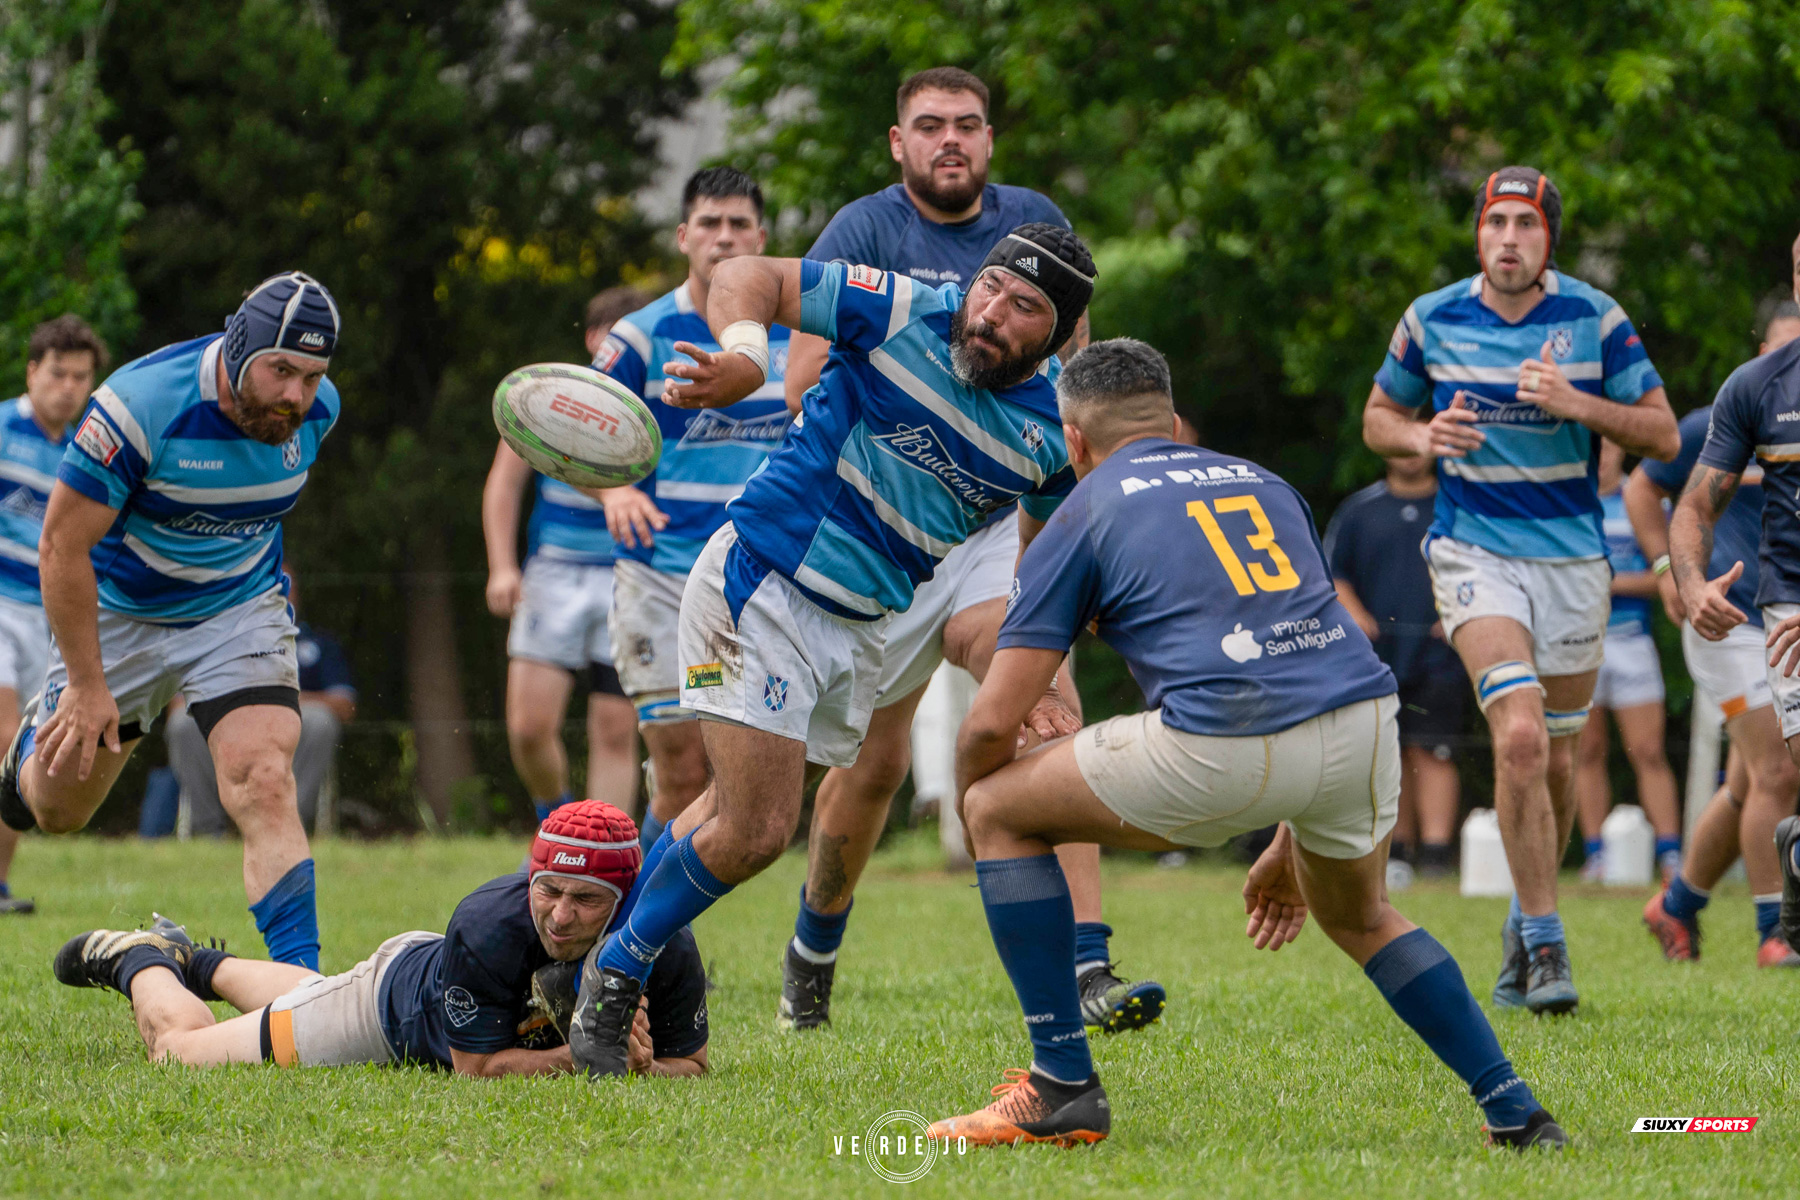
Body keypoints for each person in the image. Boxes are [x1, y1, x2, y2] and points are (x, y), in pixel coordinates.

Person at [926, 339, 1563, 1150]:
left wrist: (980, 798)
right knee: (1362, 914)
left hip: (1221, 742)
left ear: (1075, 441)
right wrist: (1294, 831)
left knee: (994, 804)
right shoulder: (1267, 482)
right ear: (1174, 421)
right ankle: (1514, 1108)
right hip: (1364, 724)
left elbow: (990, 721)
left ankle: (1060, 1085)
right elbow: (1299, 651)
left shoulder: (1083, 507)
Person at [565, 223, 1095, 1077]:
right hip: (762, 584)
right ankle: (611, 976)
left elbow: (1048, 535)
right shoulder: (906, 312)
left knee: (723, 812)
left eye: (1023, 305)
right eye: (990, 284)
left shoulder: (1052, 428)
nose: (989, 312)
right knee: (759, 827)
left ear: (1060, 334)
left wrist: (1053, 624)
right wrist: (744, 354)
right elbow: (748, 274)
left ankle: (592, 956)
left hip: (857, 628)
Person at [776, 65, 1157, 1038]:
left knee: (1045, 696)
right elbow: (802, 381)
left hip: (986, 525)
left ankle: (1090, 962)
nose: (952, 140)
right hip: (877, 525)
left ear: (992, 141)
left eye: (970, 125)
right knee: (876, 767)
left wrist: (1073, 534)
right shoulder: (863, 230)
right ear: (898, 143)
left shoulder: (1034, 222)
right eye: (930, 125)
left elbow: (1079, 394)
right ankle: (813, 952)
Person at [1362, 167, 1679, 1015]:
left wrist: (1576, 401)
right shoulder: (1431, 317)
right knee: (1523, 739)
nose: (1508, 238)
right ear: (1478, 234)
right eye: (1495, 222)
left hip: (1574, 560)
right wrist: (1426, 433)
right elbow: (1377, 420)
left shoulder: (1595, 319)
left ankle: (1521, 919)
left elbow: (1662, 429)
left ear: (1550, 240)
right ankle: (1546, 942)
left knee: (1562, 754)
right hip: (1474, 553)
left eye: (1525, 225)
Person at [0, 272, 348, 970]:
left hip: (236, 610)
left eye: (311, 376)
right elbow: (61, 547)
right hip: (122, 617)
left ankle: (303, 988)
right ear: (238, 347)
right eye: (281, 369)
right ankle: (18, 765)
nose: (295, 395)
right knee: (58, 811)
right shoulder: (136, 408)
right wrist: (89, 685)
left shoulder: (318, 412)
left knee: (263, 777)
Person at [53, 800, 709, 1076]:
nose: (560, 917)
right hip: (384, 1013)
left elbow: (695, 1066)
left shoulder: (662, 942)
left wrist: (649, 1068)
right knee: (178, 1053)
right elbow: (476, 1070)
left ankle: (194, 961)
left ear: (624, 901)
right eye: (548, 890)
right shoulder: (489, 926)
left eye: (586, 900)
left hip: (400, 975)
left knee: (308, 994)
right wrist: (593, 1057)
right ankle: (137, 959)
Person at [592, 167, 791, 855]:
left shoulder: (790, 338)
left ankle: (650, 927)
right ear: (683, 236)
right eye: (710, 222)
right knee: (678, 769)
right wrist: (614, 490)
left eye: (740, 224)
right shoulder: (641, 336)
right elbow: (574, 426)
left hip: (759, 584)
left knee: (745, 782)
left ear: (762, 239)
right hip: (662, 575)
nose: (725, 236)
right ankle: (634, 931)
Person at [1665, 243, 1800, 963]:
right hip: (1755, 622)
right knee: (1777, 773)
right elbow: (1680, 502)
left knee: (1753, 779)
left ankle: (1680, 901)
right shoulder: (1748, 392)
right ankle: (1774, 931)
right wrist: (1681, 578)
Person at [482, 288, 647, 824]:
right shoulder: (548, 400)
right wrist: (502, 566)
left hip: (629, 575)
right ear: (592, 339)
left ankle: (607, 855)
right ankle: (555, 821)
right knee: (528, 729)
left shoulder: (655, 407)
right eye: (610, 333)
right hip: (553, 575)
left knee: (615, 730)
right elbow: (503, 487)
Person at [0, 316, 109, 914]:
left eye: (81, 377)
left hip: (45, 618)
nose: (68, 387)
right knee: (5, 739)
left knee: (23, 745)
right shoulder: (2, 428)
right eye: (58, 373)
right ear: (32, 372)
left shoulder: (85, 452)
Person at [1324, 453, 1466, 877]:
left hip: (1442, 653)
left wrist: (1459, 610)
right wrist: (1356, 616)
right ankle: (1397, 852)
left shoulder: (1456, 508)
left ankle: (1438, 854)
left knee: (1435, 749)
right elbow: (1333, 574)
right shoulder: (1358, 510)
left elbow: (1487, 565)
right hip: (1374, 656)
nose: (1409, 455)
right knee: (1388, 752)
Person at [165, 566, 356, 834]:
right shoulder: (217, 641)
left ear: (297, 594)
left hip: (291, 726)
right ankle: (208, 832)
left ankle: (287, 828)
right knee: (182, 723)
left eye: (283, 587)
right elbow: (176, 702)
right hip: (228, 726)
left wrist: (281, 699)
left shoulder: (319, 644)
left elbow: (345, 705)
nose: (275, 595)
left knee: (321, 721)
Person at [1575, 439, 1680, 881]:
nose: (1601, 453)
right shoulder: (1567, 501)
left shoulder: (1645, 498)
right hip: (1578, 644)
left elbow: (1671, 578)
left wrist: (1611, 583)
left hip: (1632, 641)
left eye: (1608, 445)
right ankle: (1597, 854)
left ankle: (1671, 855)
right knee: (1587, 751)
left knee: (1649, 751)